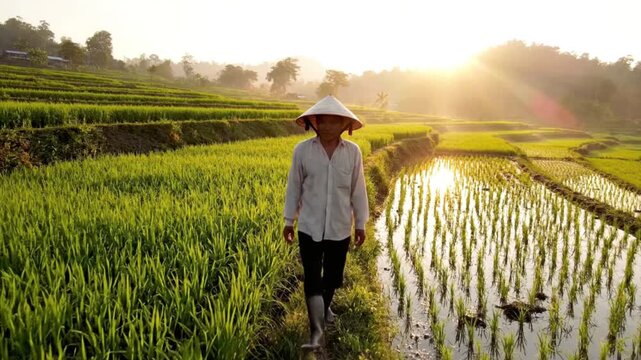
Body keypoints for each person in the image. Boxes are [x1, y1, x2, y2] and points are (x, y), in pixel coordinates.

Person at [282, 95, 369, 350]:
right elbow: (294, 188)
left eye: (335, 122)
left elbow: (358, 190)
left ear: (345, 125)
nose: (328, 126)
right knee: (311, 277)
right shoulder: (302, 151)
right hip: (308, 226)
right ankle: (316, 328)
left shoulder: (353, 153)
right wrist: (289, 220)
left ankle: (324, 307)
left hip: (340, 227)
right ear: (315, 122)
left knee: (331, 277)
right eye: (324, 121)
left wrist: (360, 223)